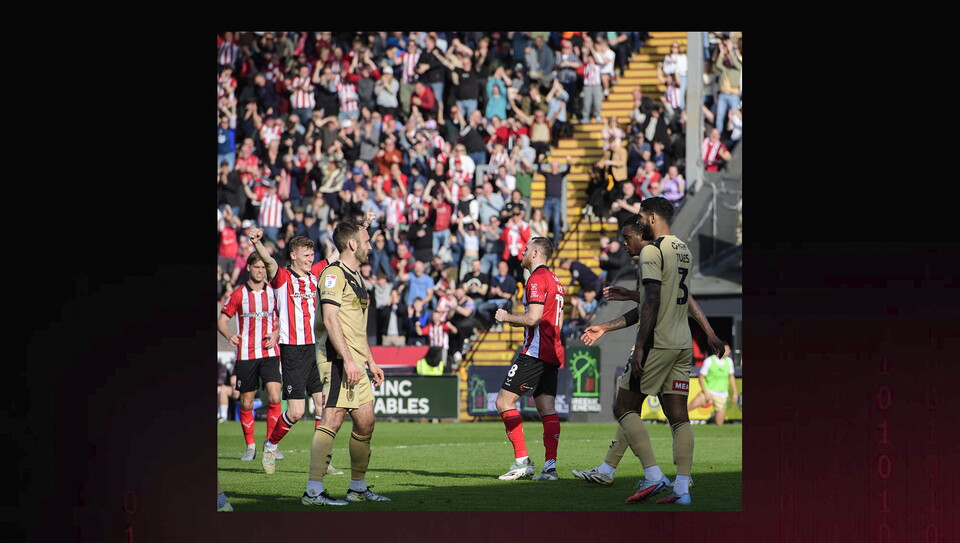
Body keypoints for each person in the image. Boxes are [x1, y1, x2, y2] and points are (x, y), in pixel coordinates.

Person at [570, 202, 724, 505]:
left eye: (641, 219)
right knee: (679, 418)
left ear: (652, 218)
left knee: (623, 407)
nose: (639, 225)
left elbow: (652, 300)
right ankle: (682, 489)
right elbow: (681, 298)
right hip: (682, 345)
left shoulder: (653, 251)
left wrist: (640, 346)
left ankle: (653, 476)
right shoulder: (683, 250)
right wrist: (709, 332)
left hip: (658, 341)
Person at [304, 219, 390, 506]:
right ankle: (313, 492)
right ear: (352, 244)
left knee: (365, 423)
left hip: (356, 361)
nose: (369, 245)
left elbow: (357, 328)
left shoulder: (358, 277)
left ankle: (357, 488)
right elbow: (330, 320)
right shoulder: (333, 275)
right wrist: (349, 360)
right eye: (365, 241)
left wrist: (371, 361)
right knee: (332, 420)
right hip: (337, 359)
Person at [247, 230, 329, 475]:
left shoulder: (314, 275)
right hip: (293, 350)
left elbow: (337, 255)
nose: (310, 258)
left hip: (315, 348)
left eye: (312, 253)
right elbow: (270, 262)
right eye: (306, 254)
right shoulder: (282, 277)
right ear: (293, 256)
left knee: (323, 408)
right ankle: (271, 445)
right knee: (296, 411)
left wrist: (361, 227)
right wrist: (257, 242)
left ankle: (320, 460)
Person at [493, 237, 565, 481]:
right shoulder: (556, 280)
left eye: (525, 249)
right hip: (553, 351)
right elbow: (552, 320)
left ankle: (522, 462)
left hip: (535, 352)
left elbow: (533, 318)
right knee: (547, 409)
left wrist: (506, 317)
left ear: (535, 253)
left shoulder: (535, 279)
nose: (521, 253)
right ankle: (550, 467)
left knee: (504, 402)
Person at [217, 252, 283, 461]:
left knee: (274, 395)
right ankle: (250, 446)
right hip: (246, 354)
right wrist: (229, 335)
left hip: (270, 351)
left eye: (263, 268)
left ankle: (271, 444)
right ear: (248, 268)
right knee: (246, 402)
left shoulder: (274, 292)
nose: (261, 271)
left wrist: (277, 333)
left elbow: (287, 318)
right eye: (257, 267)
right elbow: (222, 321)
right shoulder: (238, 294)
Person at [687, 343, 739, 425]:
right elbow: (701, 377)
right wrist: (706, 392)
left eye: (729, 349)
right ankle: (672, 421)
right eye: (726, 350)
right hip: (708, 392)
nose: (729, 352)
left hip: (721, 394)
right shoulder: (709, 361)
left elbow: (731, 377)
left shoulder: (729, 361)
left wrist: (735, 393)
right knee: (689, 407)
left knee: (719, 422)